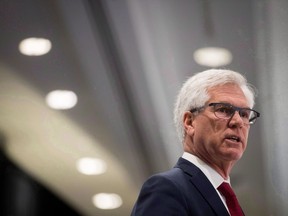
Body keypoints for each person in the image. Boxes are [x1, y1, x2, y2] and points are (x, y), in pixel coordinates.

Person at [131, 69, 260, 216]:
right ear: (190, 122)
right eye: (224, 110)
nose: (238, 122)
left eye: (244, 114)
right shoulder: (166, 188)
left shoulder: (227, 201)